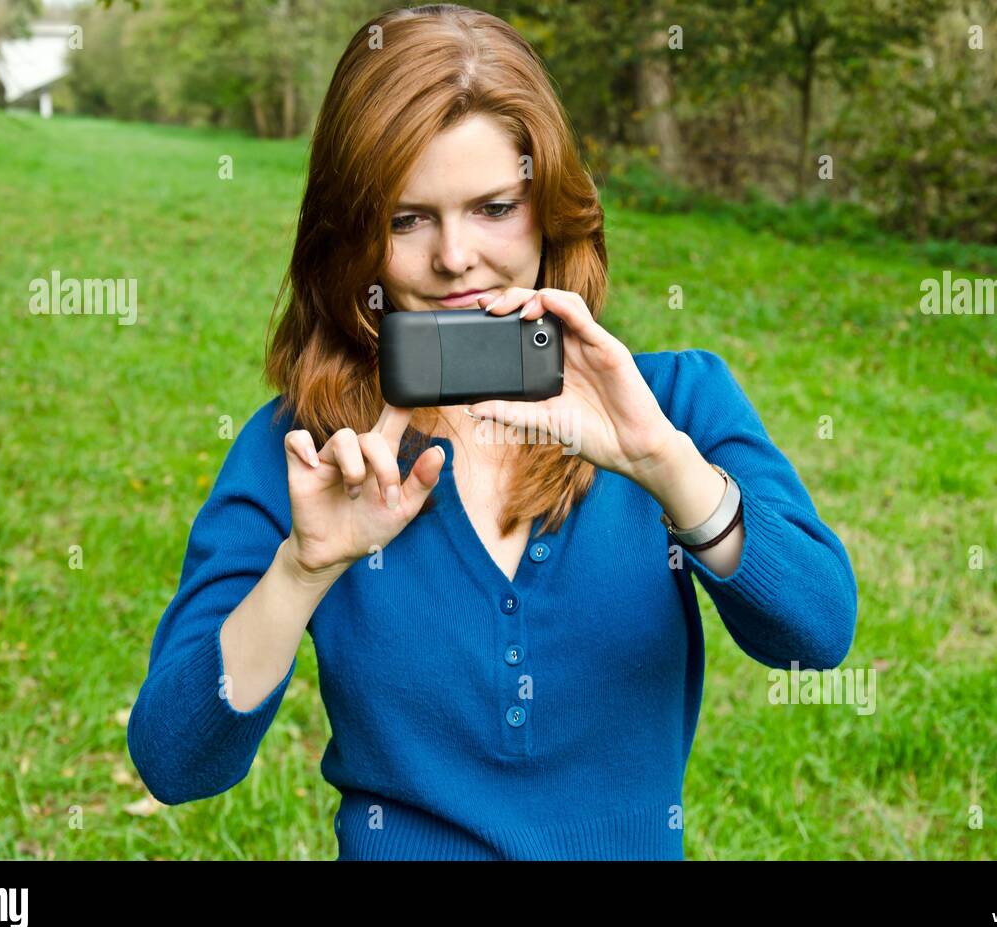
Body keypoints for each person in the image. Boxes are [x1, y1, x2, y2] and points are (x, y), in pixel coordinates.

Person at [126, 3, 857, 860]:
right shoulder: (301, 451)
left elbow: (817, 632)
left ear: (548, 207)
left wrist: (664, 463)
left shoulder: (674, 403)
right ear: (352, 237)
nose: (454, 257)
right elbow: (174, 761)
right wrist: (302, 568)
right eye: (406, 219)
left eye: (493, 207)